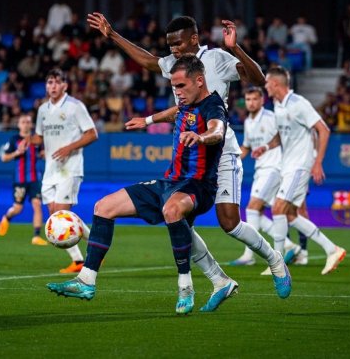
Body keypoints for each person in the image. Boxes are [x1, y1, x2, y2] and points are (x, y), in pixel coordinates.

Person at [47, 56, 291, 315]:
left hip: (198, 185)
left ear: (199, 81)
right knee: (103, 206)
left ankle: (187, 287)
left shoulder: (214, 106)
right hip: (170, 181)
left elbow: (218, 130)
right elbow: (176, 111)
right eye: (173, 87)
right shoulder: (186, 101)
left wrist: (201, 137)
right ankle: (86, 280)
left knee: (183, 214)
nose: (177, 92)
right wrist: (149, 120)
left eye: (181, 86)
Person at [257, 66, 346, 275]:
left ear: (276, 84)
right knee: (289, 215)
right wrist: (266, 146)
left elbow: (323, 130)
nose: (265, 86)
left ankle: (277, 263)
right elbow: (281, 134)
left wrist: (318, 162)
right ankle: (332, 249)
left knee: (278, 208)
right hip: (287, 165)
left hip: (299, 165)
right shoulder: (278, 105)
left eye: (267, 82)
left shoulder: (299, 103)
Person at [30, 68, 96, 273]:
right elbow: (40, 138)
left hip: (70, 168)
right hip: (51, 169)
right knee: (53, 214)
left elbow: (92, 134)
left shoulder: (75, 107)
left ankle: (95, 250)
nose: (53, 86)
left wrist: (69, 147)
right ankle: (79, 259)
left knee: (61, 213)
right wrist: (28, 142)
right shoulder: (42, 109)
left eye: (57, 82)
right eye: (50, 82)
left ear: (65, 85)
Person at [230, 86, 301, 266]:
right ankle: (290, 245)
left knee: (252, 208)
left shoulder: (270, 117)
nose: (251, 103)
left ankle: (249, 255)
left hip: (274, 167)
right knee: (256, 212)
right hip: (261, 169)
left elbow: (281, 137)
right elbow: (246, 146)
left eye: (255, 99)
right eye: (248, 99)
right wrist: (232, 158)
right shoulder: (248, 122)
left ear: (262, 101)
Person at [0, 114, 48, 245]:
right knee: (18, 208)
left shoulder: (37, 140)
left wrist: (44, 155)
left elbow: (43, 154)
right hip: (19, 180)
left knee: (37, 204)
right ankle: (7, 217)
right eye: (23, 122)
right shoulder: (14, 139)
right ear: (19, 125)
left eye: (28, 122)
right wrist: (16, 153)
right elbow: (3, 158)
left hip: (35, 179)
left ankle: (36, 236)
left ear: (31, 125)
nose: (26, 124)